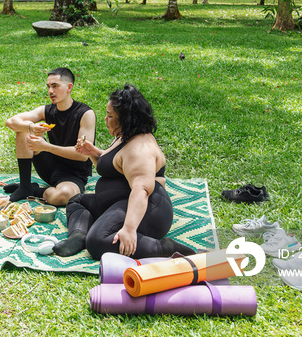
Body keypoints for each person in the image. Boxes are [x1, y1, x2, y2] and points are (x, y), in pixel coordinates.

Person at [53, 84, 195, 259]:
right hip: (118, 201)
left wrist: (129, 228)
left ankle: (164, 247)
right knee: (77, 201)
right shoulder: (124, 136)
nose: (105, 119)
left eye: (110, 116)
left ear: (126, 119)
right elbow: (114, 167)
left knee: (97, 242)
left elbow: (141, 190)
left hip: (148, 210)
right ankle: (78, 236)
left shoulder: (140, 148)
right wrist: (93, 153)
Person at [4, 68, 96, 206]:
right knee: (23, 129)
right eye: (48, 87)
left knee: (63, 197)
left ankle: (35, 190)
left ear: (69, 87)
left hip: (73, 175)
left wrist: (46, 147)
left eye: (55, 86)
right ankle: (24, 185)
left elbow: (83, 155)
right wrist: (31, 127)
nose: (50, 91)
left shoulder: (85, 114)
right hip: (50, 167)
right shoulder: (46, 110)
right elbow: (10, 122)